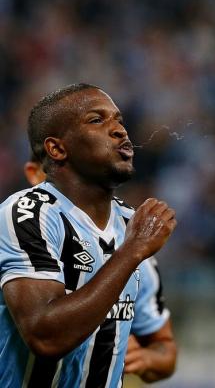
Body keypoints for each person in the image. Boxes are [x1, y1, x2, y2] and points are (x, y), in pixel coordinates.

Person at [0, 83, 177, 387]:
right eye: (97, 120)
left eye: (118, 119)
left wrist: (147, 359)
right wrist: (131, 251)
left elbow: (163, 346)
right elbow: (45, 336)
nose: (120, 130)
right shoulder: (27, 213)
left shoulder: (132, 225)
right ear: (57, 148)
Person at [23, 153, 177, 383]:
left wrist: (146, 358)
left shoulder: (134, 248)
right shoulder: (15, 238)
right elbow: (46, 338)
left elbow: (166, 350)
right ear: (34, 174)